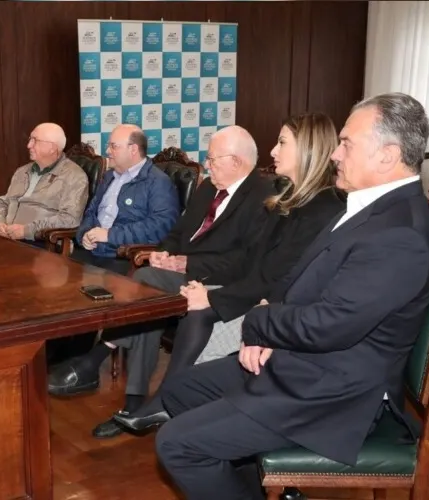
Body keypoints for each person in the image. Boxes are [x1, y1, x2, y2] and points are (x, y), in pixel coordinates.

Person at [153, 93, 429, 500]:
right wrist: (270, 331)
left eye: (346, 144)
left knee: (177, 444)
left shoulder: (401, 234)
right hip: (306, 361)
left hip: (334, 391)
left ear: (387, 155)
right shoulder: (369, 208)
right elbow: (300, 284)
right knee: (180, 390)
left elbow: (330, 326)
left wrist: (258, 326)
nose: (335, 155)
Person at [113, 113, 346, 436]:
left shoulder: (321, 208)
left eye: (282, 143)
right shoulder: (288, 199)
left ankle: (167, 402)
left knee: (199, 311)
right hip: (248, 290)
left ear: (308, 148)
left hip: (277, 309)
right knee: (189, 303)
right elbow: (252, 262)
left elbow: (277, 279)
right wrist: (206, 289)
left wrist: (213, 296)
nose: (273, 152)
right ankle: (166, 403)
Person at [46, 126, 277, 439]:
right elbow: (178, 231)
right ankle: (136, 403)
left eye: (212, 159)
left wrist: (187, 262)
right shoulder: (210, 187)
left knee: (143, 283)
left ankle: (101, 363)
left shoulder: (263, 197)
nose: (207, 166)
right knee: (147, 297)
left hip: (216, 280)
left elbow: (245, 260)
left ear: (236, 162)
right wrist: (164, 251)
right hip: (180, 270)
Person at [71, 124, 180, 274]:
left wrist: (110, 235)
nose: (107, 151)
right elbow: (91, 212)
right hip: (90, 252)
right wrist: (85, 234)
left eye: (113, 146)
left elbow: (160, 226)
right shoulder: (109, 176)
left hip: (122, 258)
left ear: (133, 149)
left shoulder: (158, 182)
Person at [0, 123, 89, 246]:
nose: (28, 145)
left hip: (40, 244)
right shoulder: (22, 172)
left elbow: (70, 219)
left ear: (52, 147)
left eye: (35, 141)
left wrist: (26, 231)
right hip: (5, 240)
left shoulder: (74, 176)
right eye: (30, 139)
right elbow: (3, 202)